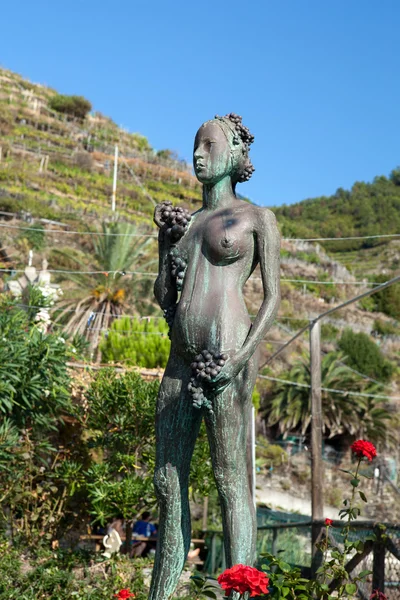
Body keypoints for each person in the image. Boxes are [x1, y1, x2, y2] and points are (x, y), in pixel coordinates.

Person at [149, 113, 280, 600]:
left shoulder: (256, 219)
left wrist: (240, 358)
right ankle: (160, 593)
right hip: (180, 363)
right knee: (167, 484)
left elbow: (272, 300)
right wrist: (165, 242)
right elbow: (164, 295)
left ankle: (241, 594)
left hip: (226, 361)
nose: (198, 155)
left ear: (234, 154)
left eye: (208, 145)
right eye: (195, 146)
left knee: (230, 483)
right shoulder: (186, 223)